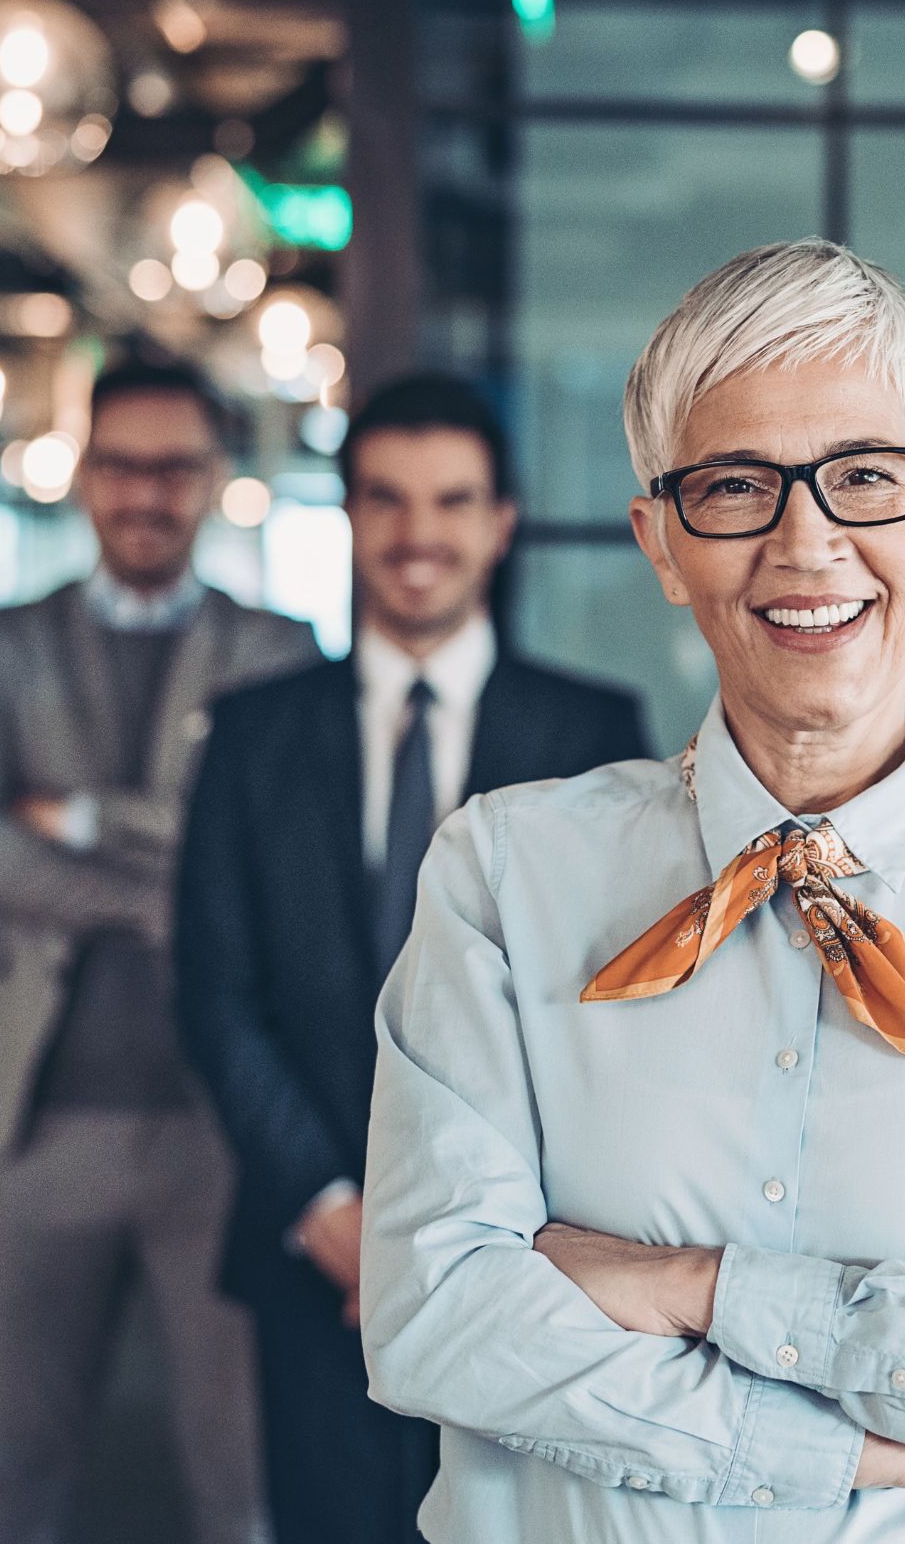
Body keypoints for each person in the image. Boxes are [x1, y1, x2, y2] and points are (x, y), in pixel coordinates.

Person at [354, 238, 905, 1544]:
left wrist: (695, 1288)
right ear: (658, 538)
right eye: (736, 486)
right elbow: (432, 1318)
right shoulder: (500, 870)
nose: (807, 542)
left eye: (867, 477)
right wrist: (872, 1437)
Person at [175, 371, 649, 1544]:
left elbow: (620, 1010)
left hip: (533, 1258)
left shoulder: (595, 737)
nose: (417, 535)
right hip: (310, 1241)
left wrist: (491, 1225)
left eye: (450, 501)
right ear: (347, 516)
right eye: (385, 500)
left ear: (502, 521)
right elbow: (214, 991)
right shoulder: (250, 733)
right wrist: (332, 1209)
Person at [0, 359, 320, 1544]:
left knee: (240, 1474)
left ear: (213, 482)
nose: (148, 492)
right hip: (33, 1122)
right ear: (86, 476)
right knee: (15, 1462)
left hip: (224, 1132)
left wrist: (81, 815)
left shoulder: (279, 647)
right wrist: (157, 894)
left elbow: (261, 855)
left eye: (176, 467)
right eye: (125, 465)